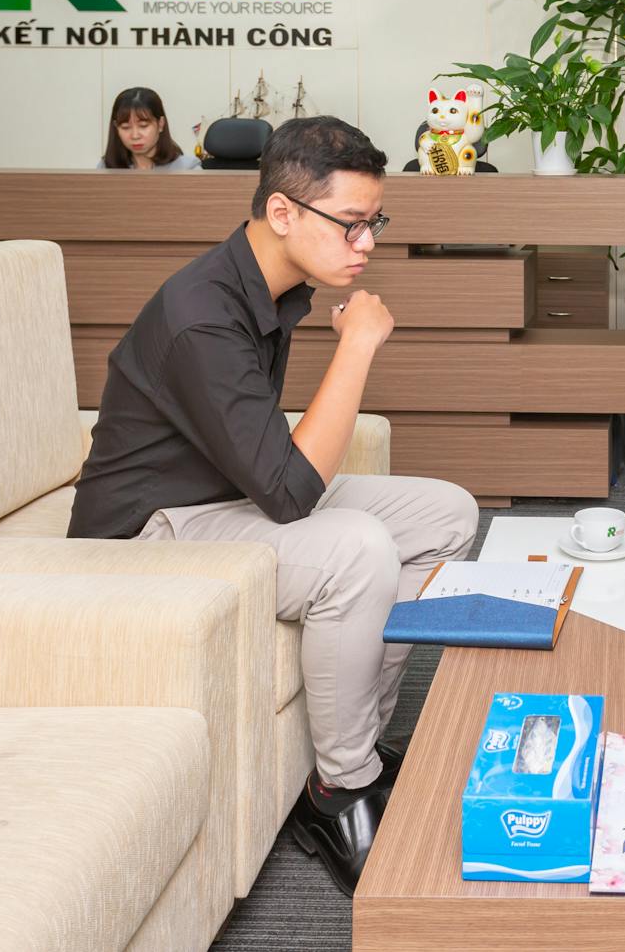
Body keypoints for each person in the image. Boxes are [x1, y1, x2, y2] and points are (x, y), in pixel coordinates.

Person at [67, 116, 477, 893]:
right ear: (282, 212)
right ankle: (339, 787)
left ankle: (356, 741)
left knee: (447, 513)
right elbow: (290, 492)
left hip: (220, 494)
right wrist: (355, 348)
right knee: (357, 547)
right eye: (351, 225)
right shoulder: (201, 314)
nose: (368, 245)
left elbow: (271, 468)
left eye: (374, 223)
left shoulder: (270, 284)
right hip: (142, 536)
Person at [98, 86, 200, 171]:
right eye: (125, 127)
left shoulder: (188, 168)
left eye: (143, 126)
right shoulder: (106, 168)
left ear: (160, 124)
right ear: (116, 128)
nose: (135, 135)